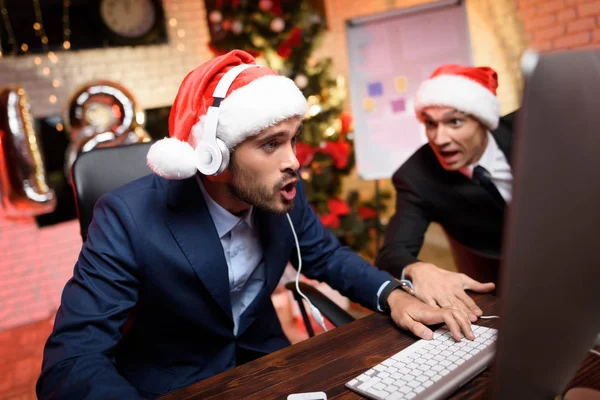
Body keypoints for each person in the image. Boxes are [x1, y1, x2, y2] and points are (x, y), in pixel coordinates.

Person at [37, 51, 474, 400]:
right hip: (178, 384)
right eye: (271, 144)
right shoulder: (126, 216)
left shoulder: (279, 189)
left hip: (273, 368)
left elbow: (325, 255)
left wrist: (393, 294)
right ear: (215, 157)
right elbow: (72, 359)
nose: (294, 162)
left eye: (293, 139)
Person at [376, 64, 517, 323]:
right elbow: (392, 252)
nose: (440, 138)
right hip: (505, 288)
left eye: (454, 122)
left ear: (482, 121)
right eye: (430, 124)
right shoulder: (416, 177)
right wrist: (418, 269)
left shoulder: (527, 129)